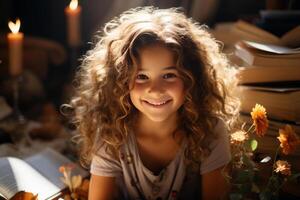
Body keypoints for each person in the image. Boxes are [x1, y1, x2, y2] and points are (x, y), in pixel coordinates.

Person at [68, 6, 240, 200]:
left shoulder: (210, 131)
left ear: (192, 78)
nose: (156, 90)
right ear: (121, 82)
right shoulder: (112, 135)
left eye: (169, 75)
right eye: (141, 76)